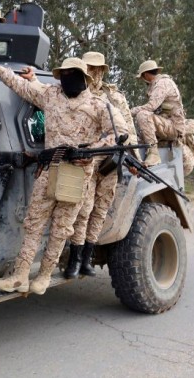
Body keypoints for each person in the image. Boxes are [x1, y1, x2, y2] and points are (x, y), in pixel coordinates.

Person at [0, 58, 127, 295]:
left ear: (84, 78)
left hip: (77, 174)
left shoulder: (99, 105)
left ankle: (45, 276)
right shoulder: (50, 95)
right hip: (50, 169)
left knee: (62, 227)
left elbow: (120, 134)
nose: (68, 77)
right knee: (33, 222)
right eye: (65, 73)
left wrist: (92, 150)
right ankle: (20, 275)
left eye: (73, 73)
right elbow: (21, 86)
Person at [65, 51, 136, 278]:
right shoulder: (75, 93)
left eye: (97, 69)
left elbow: (129, 130)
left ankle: (87, 259)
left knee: (99, 211)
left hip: (109, 163)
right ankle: (74, 261)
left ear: (102, 70)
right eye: (90, 68)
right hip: (86, 162)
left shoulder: (115, 98)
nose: (94, 73)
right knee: (82, 211)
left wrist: (134, 158)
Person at [131, 60, 186, 167]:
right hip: (167, 124)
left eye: (142, 77)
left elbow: (151, 106)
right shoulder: (159, 83)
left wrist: (129, 112)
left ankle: (154, 154)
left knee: (142, 115)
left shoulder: (162, 83)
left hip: (173, 126)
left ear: (146, 74)